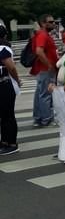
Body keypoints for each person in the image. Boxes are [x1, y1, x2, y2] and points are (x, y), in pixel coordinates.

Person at [31, 14, 58, 127]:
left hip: (42, 69)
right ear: (43, 23)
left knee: (40, 94)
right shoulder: (43, 35)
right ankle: (47, 119)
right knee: (46, 94)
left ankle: (38, 118)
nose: (53, 24)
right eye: (51, 22)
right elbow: (39, 51)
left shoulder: (42, 34)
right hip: (45, 69)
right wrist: (49, 65)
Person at [0, 23, 21, 155]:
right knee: (3, 115)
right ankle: (4, 141)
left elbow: (11, 67)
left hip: (5, 84)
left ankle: (12, 143)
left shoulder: (3, 49)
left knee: (8, 115)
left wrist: (18, 80)